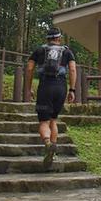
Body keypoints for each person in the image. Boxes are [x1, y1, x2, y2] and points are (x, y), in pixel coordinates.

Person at [25, 27, 76, 168]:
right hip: (60, 87)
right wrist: (72, 90)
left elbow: (29, 68)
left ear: (47, 39)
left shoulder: (39, 51)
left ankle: (47, 143)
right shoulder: (67, 51)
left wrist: (28, 88)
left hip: (45, 86)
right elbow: (72, 69)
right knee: (53, 120)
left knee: (43, 122)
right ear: (59, 38)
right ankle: (52, 150)